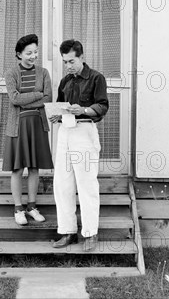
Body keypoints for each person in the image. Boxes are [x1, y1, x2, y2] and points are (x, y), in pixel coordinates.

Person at [49, 39, 109, 252]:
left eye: (72, 61)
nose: (68, 66)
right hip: (65, 132)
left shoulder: (96, 78)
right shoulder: (65, 81)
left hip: (84, 131)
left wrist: (83, 110)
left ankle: (90, 233)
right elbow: (59, 105)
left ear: (82, 57)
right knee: (62, 184)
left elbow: (102, 106)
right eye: (65, 62)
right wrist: (56, 115)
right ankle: (67, 231)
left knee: (86, 184)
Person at [2, 34, 53, 225]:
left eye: (35, 52)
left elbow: (47, 99)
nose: (33, 56)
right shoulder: (11, 73)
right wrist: (36, 94)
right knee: (17, 168)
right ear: (19, 54)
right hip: (18, 126)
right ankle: (18, 209)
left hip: (37, 125)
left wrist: (28, 98)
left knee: (34, 167)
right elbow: (14, 99)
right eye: (29, 53)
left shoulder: (44, 72)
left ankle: (32, 206)